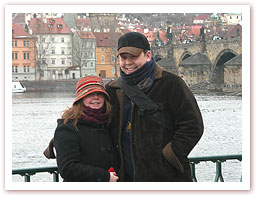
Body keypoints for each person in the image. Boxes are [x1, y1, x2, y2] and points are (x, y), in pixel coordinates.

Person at [105, 32, 204, 182]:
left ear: (148, 55)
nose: (128, 62)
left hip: (167, 177)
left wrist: (171, 155)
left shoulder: (171, 84)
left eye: (134, 57)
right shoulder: (113, 90)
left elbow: (193, 125)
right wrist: (62, 139)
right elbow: (92, 123)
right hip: (125, 178)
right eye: (124, 58)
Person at [53, 76, 119, 182]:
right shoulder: (68, 127)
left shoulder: (108, 122)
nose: (96, 97)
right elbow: (67, 168)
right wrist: (104, 177)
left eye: (100, 94)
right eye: (90, 94)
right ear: (81, 99)